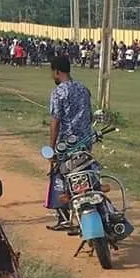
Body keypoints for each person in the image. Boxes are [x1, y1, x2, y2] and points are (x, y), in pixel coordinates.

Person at [46, 55, 93, 231]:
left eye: (52, 73)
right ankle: (84, 215)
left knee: (61, 179)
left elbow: (55, 121)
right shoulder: (83, 89)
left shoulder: (58, 92)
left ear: (57, 71)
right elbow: (88, 115)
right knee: (84, 177)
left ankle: (66, 218)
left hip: (66, 144)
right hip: (85, 142)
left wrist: (51, 148)